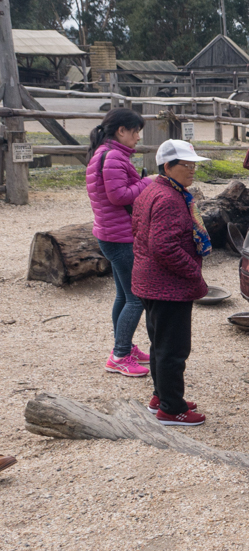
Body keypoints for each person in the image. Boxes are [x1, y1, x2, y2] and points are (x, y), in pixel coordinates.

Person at [131, 139, 211, 426]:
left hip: (151, 280)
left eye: (193, 165)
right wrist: (194, 272)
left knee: (160, 344)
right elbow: (163, 246)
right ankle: (171, 408)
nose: (192, 170)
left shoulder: (154, 190)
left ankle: (161, 397)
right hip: (166, 286)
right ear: (167, 167)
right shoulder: (168, 198)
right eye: (186, 165)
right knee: (173, 349)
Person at [86, 108, 153, 378]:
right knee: (136, 298)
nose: (137, 137)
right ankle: (120, 355)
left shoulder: (103, 153)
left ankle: (123, 346)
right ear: (121, 131)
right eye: (135, 131)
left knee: (124, 296)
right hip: (120, 237)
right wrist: (147, 183)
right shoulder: (112, 156)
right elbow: (119, 196)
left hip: (110, 234)